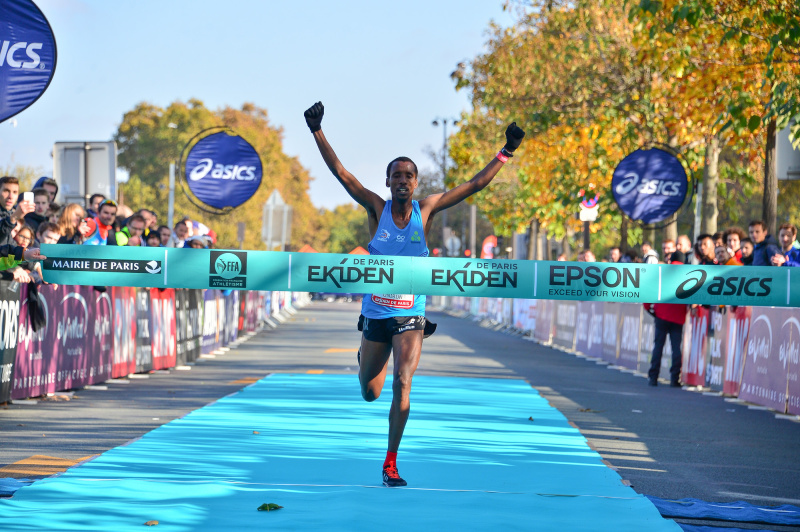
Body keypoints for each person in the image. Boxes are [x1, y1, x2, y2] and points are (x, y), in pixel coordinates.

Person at [305, 100, 524, 487]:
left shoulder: (428, 208)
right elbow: (342, 174)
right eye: (397, 175)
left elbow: (473, 185)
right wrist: (317, 130)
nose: (403, 180)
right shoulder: (377, 208)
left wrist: (505, 152)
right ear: (388, 181)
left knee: (403, 382)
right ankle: (366, 358)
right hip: (376, 314)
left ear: (416, 182)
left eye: (409, 175)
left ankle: (390, 463)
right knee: (370, 393)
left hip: (411, 314)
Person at [644, 250, 688, 387]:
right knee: (676, 348)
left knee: (658, 347)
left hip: (662, 315)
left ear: (671, 260)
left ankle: (653, 377)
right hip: (678, 316)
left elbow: (650, 293)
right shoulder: (687, 273)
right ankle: (675, 379)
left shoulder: (662, 271)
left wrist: (652, 310)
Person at [0, 176, 35, 246]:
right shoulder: (15, 215)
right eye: (6, 191)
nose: (10, 196)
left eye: (15, 192)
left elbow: (10, 247)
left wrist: (25, 253)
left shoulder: (16, 213)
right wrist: (13, 218)